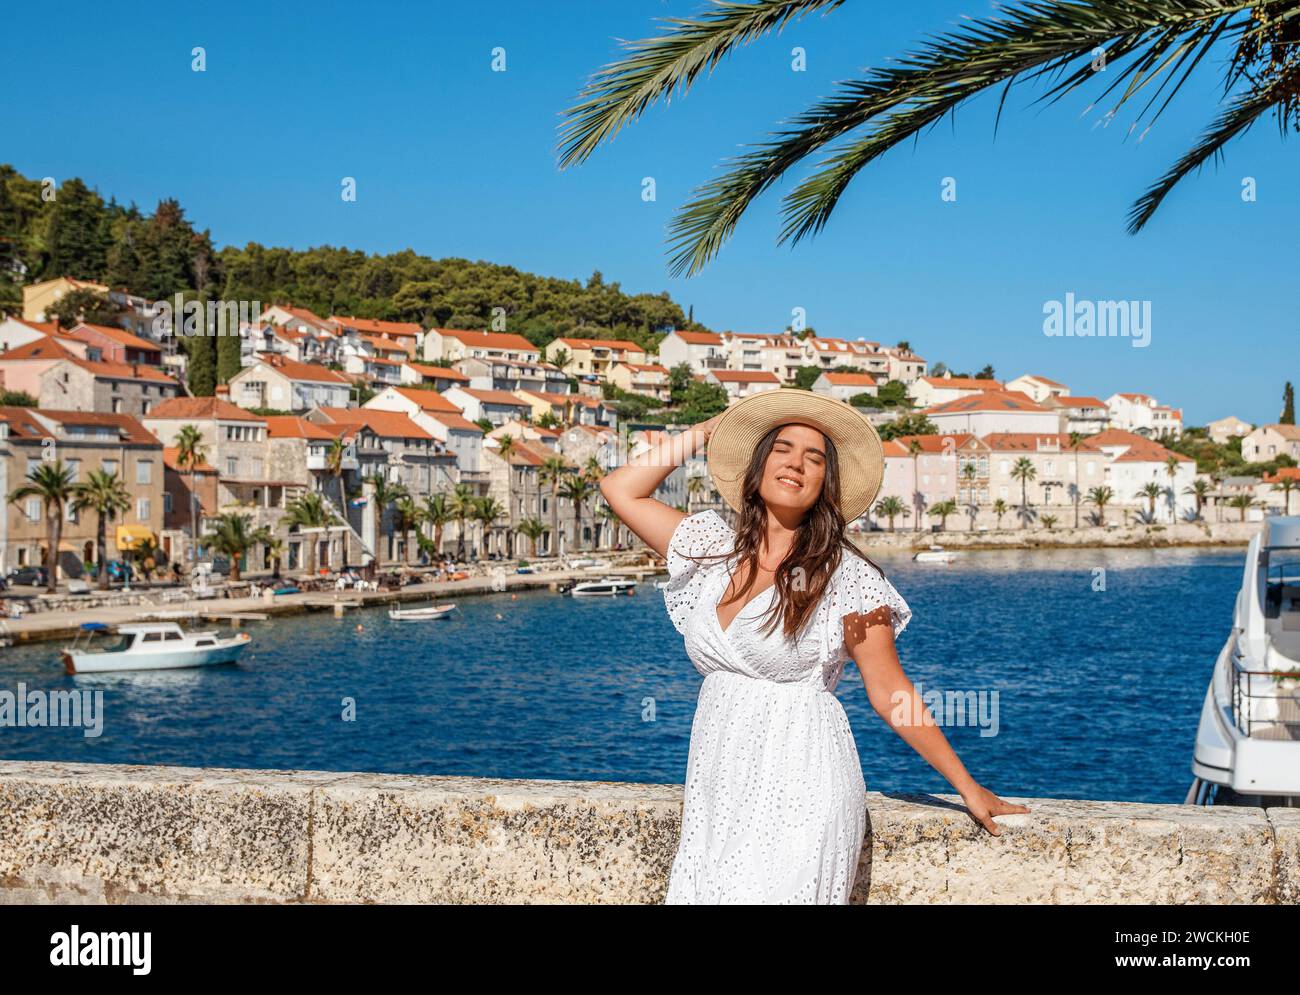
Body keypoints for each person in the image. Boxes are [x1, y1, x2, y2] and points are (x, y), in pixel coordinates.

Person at [599, 389, 1028, 904]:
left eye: (815, 457)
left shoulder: (848, 577)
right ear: (758, 464)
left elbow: (890, 690)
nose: (796, 463)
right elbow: (620, 488)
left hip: (804, 779)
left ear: (827, 481)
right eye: (781, 448)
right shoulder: (711, 546)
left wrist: (967, 785)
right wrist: (707, 431)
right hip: (719, 785)